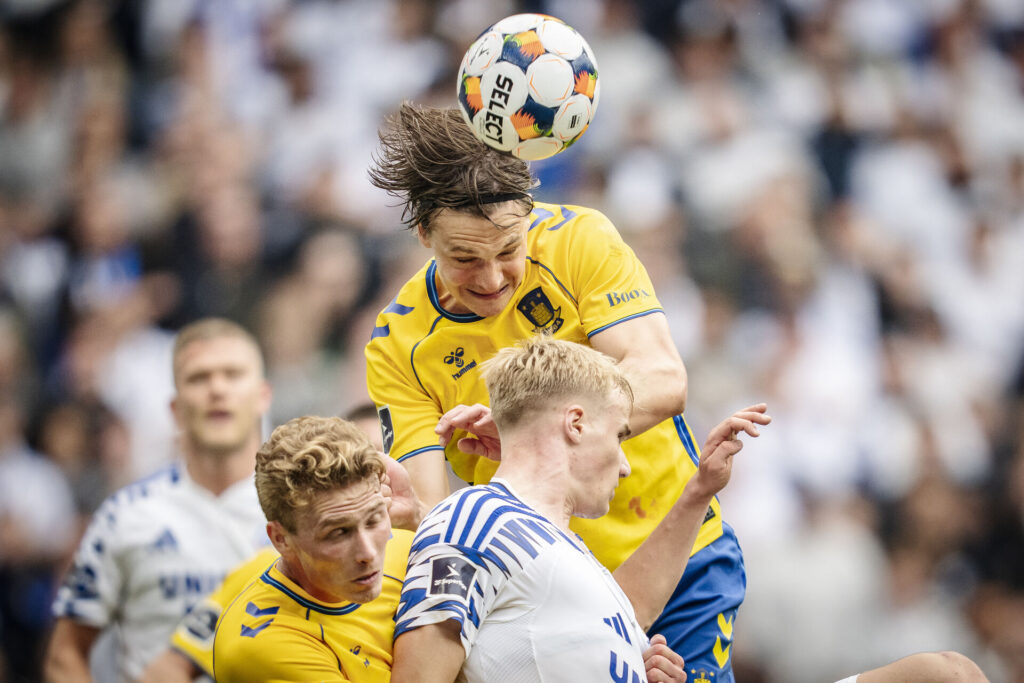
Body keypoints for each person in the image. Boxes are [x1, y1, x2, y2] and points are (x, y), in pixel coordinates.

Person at [365, 102, 739, 678]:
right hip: (546, 594)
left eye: (508, 250)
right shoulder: (398, 345)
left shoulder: (580, 240)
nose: (491, 279)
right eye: (463, 258)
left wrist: (532, 428)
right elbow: (431, 512)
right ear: (423, 235)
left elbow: (664, 378)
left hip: (675, 553)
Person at [391, 336, 766, 682]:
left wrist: (700, 490)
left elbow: (629, 609)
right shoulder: (476, 519)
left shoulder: (575, 557)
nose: (625, 464)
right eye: (619, 435)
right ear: (576, 424)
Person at [44, 318, 273, 682]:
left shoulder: (302, 510)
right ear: (175, 408)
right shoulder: (125, 515)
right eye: (199, 378)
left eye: (232, 374)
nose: (217, 389)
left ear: (263, 395)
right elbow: (66, 653)